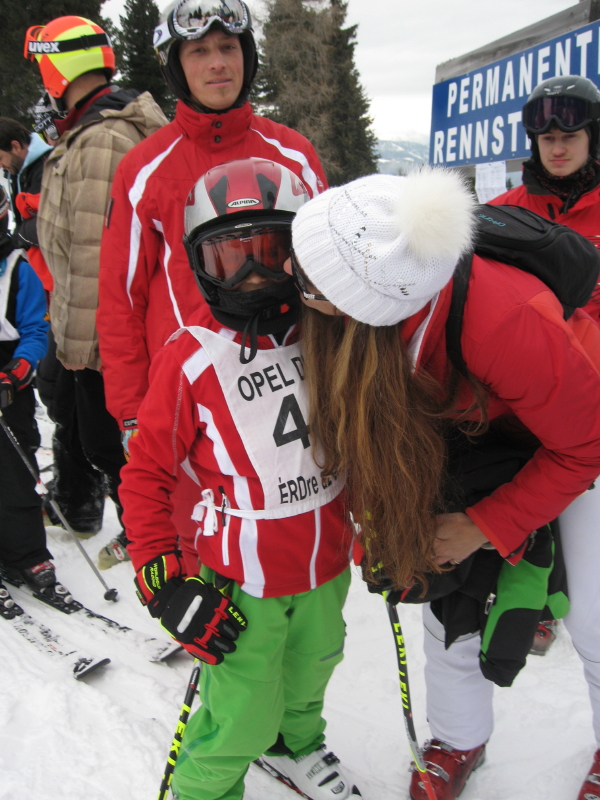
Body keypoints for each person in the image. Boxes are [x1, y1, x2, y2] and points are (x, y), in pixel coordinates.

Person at [285, 167, 600, 800]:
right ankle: (459, 738)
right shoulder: (371, 318)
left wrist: (481, 526)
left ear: (362, 298)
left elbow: (586, 442)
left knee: (595, 612)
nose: (295, 286)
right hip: (480, 426)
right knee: (447, 593)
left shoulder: (506, 320)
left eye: (311, 280)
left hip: (578, 429)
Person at [119, 158, 360, 800]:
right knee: (239, 711)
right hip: (243, 576)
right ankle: (204, 789)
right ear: (202, 264)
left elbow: (365, 440)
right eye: (231, 257)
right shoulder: (190, 356)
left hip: (326, 562)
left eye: (270, 250)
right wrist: (162, 582)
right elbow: (145, 474)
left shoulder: (330, 331)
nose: (253, 274)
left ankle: (296, 744)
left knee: (314, 667)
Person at [97, 0, 327, 572]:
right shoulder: (143, 168)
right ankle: (211, 647)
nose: (217, 63)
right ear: (178, 66)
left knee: (294, 535)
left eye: (228, 48)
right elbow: (121, 299)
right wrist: (131, 411)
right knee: (202, 545)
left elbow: (332, 274)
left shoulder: (293, 153)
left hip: (288, 378)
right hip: (190, 393)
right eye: (199, 51)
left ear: (247, 57)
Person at [25, 16, 168, 549]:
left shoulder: (100, 140)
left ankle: (155, 543)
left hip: (106, 344)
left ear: (58, 68)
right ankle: (128, 525)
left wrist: (81, 353)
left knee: (115, 449)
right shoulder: (91, 131)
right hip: (96, 336)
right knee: (95, 440)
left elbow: (95, 259)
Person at [0, 187, 75, 614]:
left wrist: (17, 371)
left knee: (18, 466)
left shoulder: (17, 267)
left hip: (8, 375)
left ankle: (26, 553)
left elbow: (34, 328)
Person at [0, 117, 53, 291]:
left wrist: (18, 239)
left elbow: (49, 223)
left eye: (1, 157)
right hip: (38, 265)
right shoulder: (18, 167)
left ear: (15, 146)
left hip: (55, 270)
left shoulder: (47, 166)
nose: (1, 165)